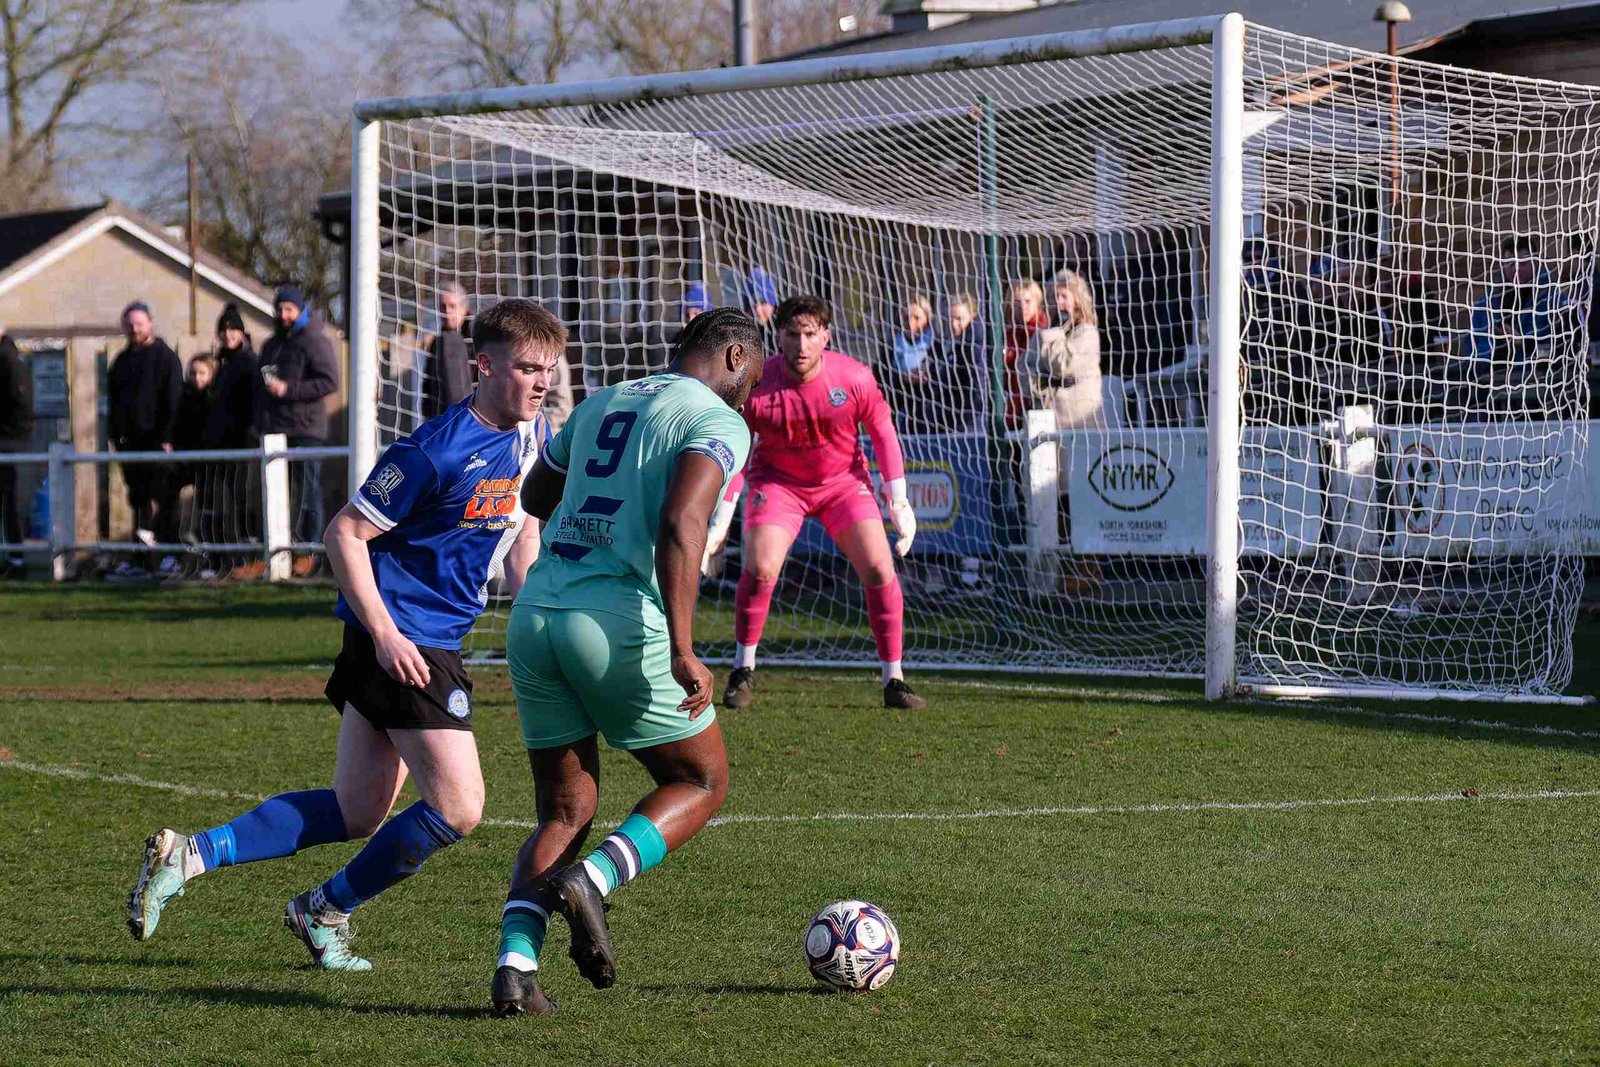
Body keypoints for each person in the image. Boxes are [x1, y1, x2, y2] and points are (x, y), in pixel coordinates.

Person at [128, 299, 564, 971]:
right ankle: (325, 908)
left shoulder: (534, 435)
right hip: (406, 639)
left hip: (414, 635)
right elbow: (343, 533)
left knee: (358, 809)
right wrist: (388, 635)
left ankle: (189, 855)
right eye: (529, 368)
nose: (542, 382)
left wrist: (538, 612)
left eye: (550, 369)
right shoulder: (434, 449)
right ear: (483, 365)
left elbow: (522, 536)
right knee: (460, 805)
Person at [491, 307, 761, 1016]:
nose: (751, 393)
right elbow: (681, 522)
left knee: (564, 810)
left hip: (537, 613)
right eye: (754, 377)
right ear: (736, 356)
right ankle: (595, 880)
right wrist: (682, 646)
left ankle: (515, 970)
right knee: (700, 779)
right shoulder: (717, 419)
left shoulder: (603, 399)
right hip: (613, 621)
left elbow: (535, 495)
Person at [706, 294, 925, 712]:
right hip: (778, 485)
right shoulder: (757, 382)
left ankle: (894, 678)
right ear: (778, 337)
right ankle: (743, 668)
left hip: (843, 484)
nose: (802, 345)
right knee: (761, 567)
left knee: (880, 568)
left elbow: (882, 431)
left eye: (810, 334)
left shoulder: (854, 377)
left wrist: (898, 500)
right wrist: (720, 519)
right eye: (793, 334)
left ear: (826, 335)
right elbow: (735, 450)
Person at [257, 285, 340, 576]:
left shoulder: (315, 341)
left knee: (307, 491)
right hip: (276, 429)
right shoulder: (272, 344)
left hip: (306, 429)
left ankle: (310, 552)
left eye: (289, 309)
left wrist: (289, 389)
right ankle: (279, 552)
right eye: (280, 309)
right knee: (278, 495)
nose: (284, 315)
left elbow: (330, 381)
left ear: (300, 310)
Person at [106, 302, 182, 580]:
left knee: (164, 499)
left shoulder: (166, 359)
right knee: (138, 502)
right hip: (130, 445)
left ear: (150, 323)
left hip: (159, 444)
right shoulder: (121, 362)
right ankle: (141, 560)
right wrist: (117, 437)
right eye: (130, 324)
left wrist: (168, 437)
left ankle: (170, 556)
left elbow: (174, 401)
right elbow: (114, 403)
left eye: (139, 323)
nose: (134, 328)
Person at [207, 304, 262, 576]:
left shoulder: (250, 363)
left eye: (233, 329)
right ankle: (227, 560)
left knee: (243, 502)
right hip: (222, 445)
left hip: (243, 444)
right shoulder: (222, 364)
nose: (228, 334)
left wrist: (250, 434)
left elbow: (255, 402)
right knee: (222, 504)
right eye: (224, 329)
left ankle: (249, 559)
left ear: (241, 332)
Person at [1023, 270, 1102, 431]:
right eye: (1054, 297)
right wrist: (1041, 383)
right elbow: (1025, 367)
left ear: (1077, 299)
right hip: (1044, 417)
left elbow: (1062, 365)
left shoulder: (1087, 333)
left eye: (1064, 296)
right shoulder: (1042, 332)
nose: (1058, 302)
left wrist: (1054, 334)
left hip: (1078, 422)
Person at [173, 355, 218, 561]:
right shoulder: (184, 398)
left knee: (209, 508)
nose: (197, 378)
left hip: (210, 463)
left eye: (202, 373)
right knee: (187, 508)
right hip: (188, 462)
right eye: (193, 373)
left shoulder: (215, 398)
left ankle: (210, 552)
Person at [884, 293, 939, 434]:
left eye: (917, 318)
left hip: (928, 420)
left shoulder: (937, 346)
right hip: (896, 415)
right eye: (906, 318)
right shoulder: (891, 346)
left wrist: (928, 377)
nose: (910, 323)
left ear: (928, 319)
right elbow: (880, 377)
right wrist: (903, 378)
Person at [0, 326, 30, 578]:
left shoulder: (8, 361)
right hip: (10, 440)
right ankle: (13, 557)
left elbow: (21, 405)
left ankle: (16, 560)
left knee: (10, 502)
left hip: (8, 442)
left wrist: (10, 436)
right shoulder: (10, 359)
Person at [422, 283, 474, 421]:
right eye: (443, 306)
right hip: (441, 421)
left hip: (470, 422)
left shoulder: (476, 341)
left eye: (452, 306)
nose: (447, 312)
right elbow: (427, 384)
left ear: (464, 309)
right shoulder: (436, 342)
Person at [1003, 279, 1049, 429]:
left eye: (1028, 301)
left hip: (1039, 412)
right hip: (1012, 412)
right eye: (1017, 302)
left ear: (1038, 303)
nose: (1023, 307)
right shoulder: (1008, 335)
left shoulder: (1044, 332)